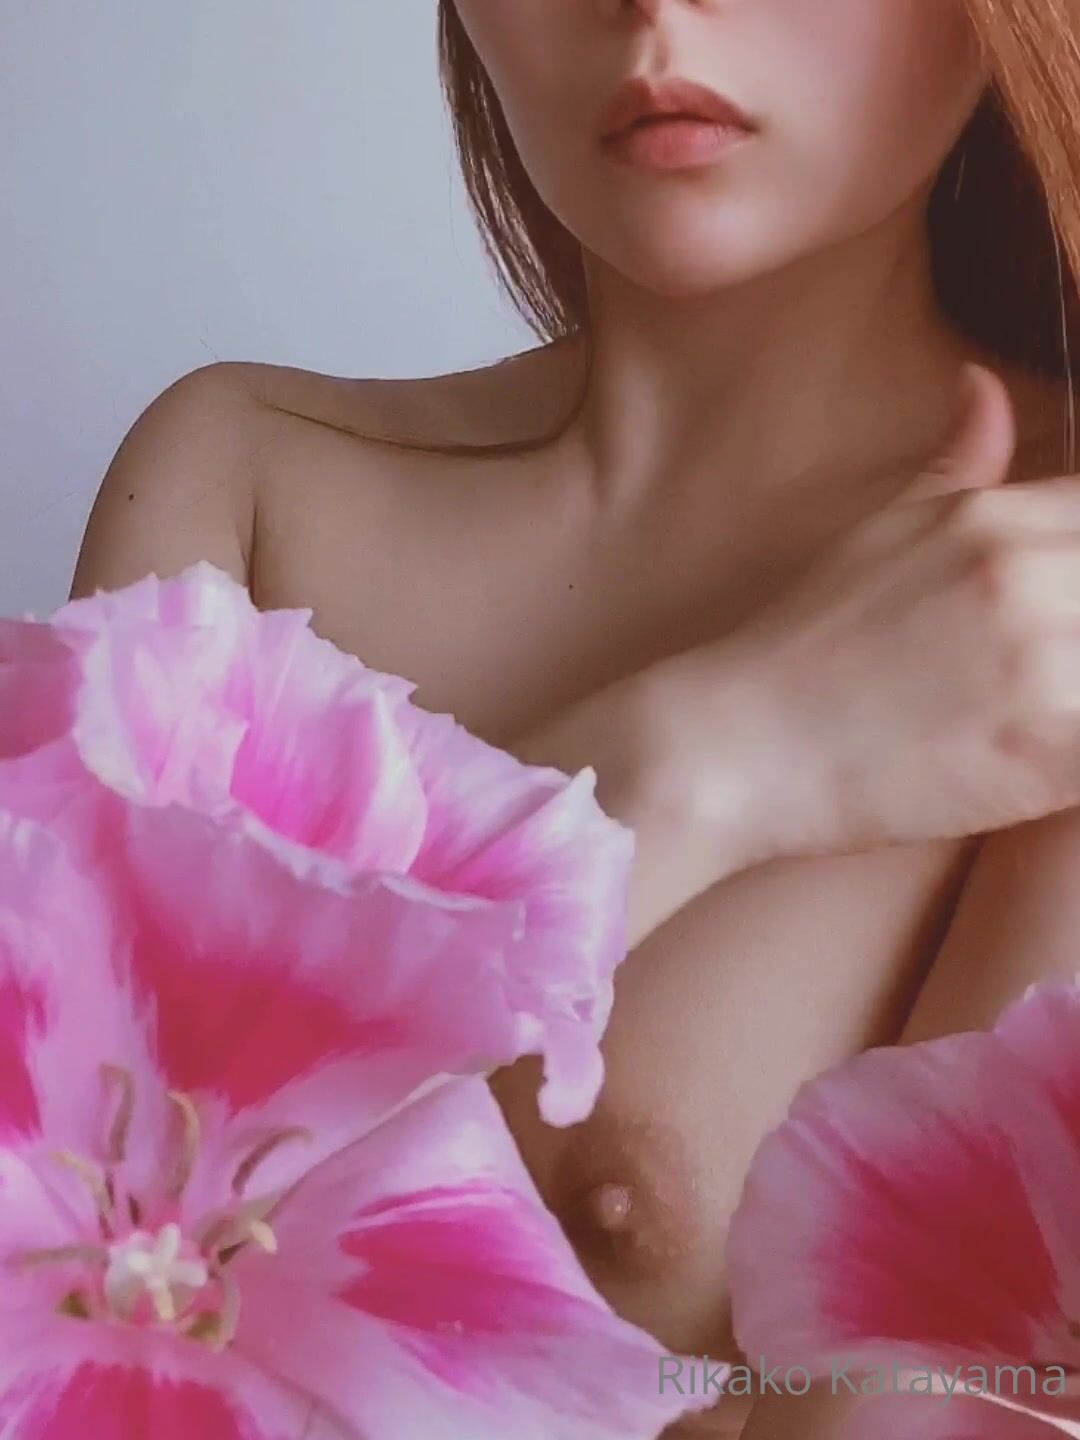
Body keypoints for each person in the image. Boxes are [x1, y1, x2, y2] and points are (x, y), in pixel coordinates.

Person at [69, 1, 1080, 1434]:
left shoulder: (1048, 596)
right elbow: (86, 1283)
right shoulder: (242, 481)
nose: (655, 8)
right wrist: (714, 757)